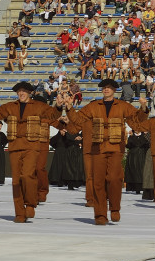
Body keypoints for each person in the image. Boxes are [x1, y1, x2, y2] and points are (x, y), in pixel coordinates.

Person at [0, 82, 63, 223]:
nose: (21, 93)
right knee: (16, 181)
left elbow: (52, 114)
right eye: (19, 91)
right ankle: (19, 213)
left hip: (31, 146)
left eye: (24, 91)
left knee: (27, 175)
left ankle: (30, 204)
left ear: (30, 93)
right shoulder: (10, 106)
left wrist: (58, 106)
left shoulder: (38, 106)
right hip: (14, 147)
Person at [63, 78, 149, 225]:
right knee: (98, 182)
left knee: (115, 179)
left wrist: (143, 108)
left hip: (116, 148)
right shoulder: (93, 106)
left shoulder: (122, 105)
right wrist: (70, 107)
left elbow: (136, 121)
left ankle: (114, 208)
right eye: (104, 87)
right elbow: (78, 120)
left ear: (114, 90)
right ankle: (100, 215)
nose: (106, 89)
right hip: (98, 148)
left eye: (109, 87)